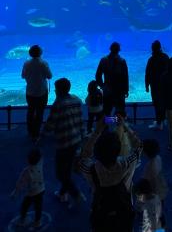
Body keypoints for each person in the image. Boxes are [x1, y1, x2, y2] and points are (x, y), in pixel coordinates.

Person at [78, 115, 142, 232]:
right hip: (123, 212)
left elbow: (84, 156)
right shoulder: (127, 163)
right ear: (119, 149)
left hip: (101, 213)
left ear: (96, 152)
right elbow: (139, 146)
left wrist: (97, 131)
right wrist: (124, 125)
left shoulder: (90, 170)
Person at [43, 77, 86, 208]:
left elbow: (51, 123)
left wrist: (42, 135)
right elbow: (80, 120)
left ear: (59, 91)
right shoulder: (77, 100)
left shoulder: (59, 103)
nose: (55, 91)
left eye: (55, 89)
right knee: (66, 170)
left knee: (60, 173)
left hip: (64, 142)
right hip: (76, 139)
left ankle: (77, 195)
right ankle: (63, 193)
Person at [21, 45, 52, 141]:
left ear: (30, 53)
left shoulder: (26, 63)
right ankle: (36, 132)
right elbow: (50, 76)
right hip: (42, 91)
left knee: (30, 111)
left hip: (30, 91)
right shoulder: (43, 63)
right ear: (41, 53)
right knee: (39, 112)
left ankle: (30, 131)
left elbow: (22, 76)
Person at [10, 148, 45, 229]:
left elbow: (20, 183)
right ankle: (38, 222)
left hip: (32, 193)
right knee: (38, 207)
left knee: (25, 205)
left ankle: (23, 218)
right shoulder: (40, 164)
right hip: (41, 189)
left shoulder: (26, 171)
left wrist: (15, 192)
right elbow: (41, 157)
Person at [95, 42, 129, 116]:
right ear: (119, 50)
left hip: (108, 90)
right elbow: (125, 77)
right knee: (120, 112)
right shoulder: (122, 61)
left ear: (110, 49)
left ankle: (108, 124)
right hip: (119, 91)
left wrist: (102, 86)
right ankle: (118, 125)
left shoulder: (103, 60)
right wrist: (126, 90)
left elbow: (98, 75)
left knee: (107, 112)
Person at [142, 139, 168, 226]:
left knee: (154, 212)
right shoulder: (158, 158)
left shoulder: (149, 167)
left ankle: (158, 224)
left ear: (145, 153)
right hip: (162, 189)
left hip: (154, 193)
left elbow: (145, 182)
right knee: (160, 208)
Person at [145, 40, 169, 130]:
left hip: (155, 86)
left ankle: (159, 122)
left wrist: (147, 85)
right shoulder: (165, 57)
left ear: (153, 49)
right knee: (163, 102)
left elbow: (147, 73)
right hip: (164, 85)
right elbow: (169, 70)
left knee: (156, 103)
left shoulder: (151, 60)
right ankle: (162, 120)